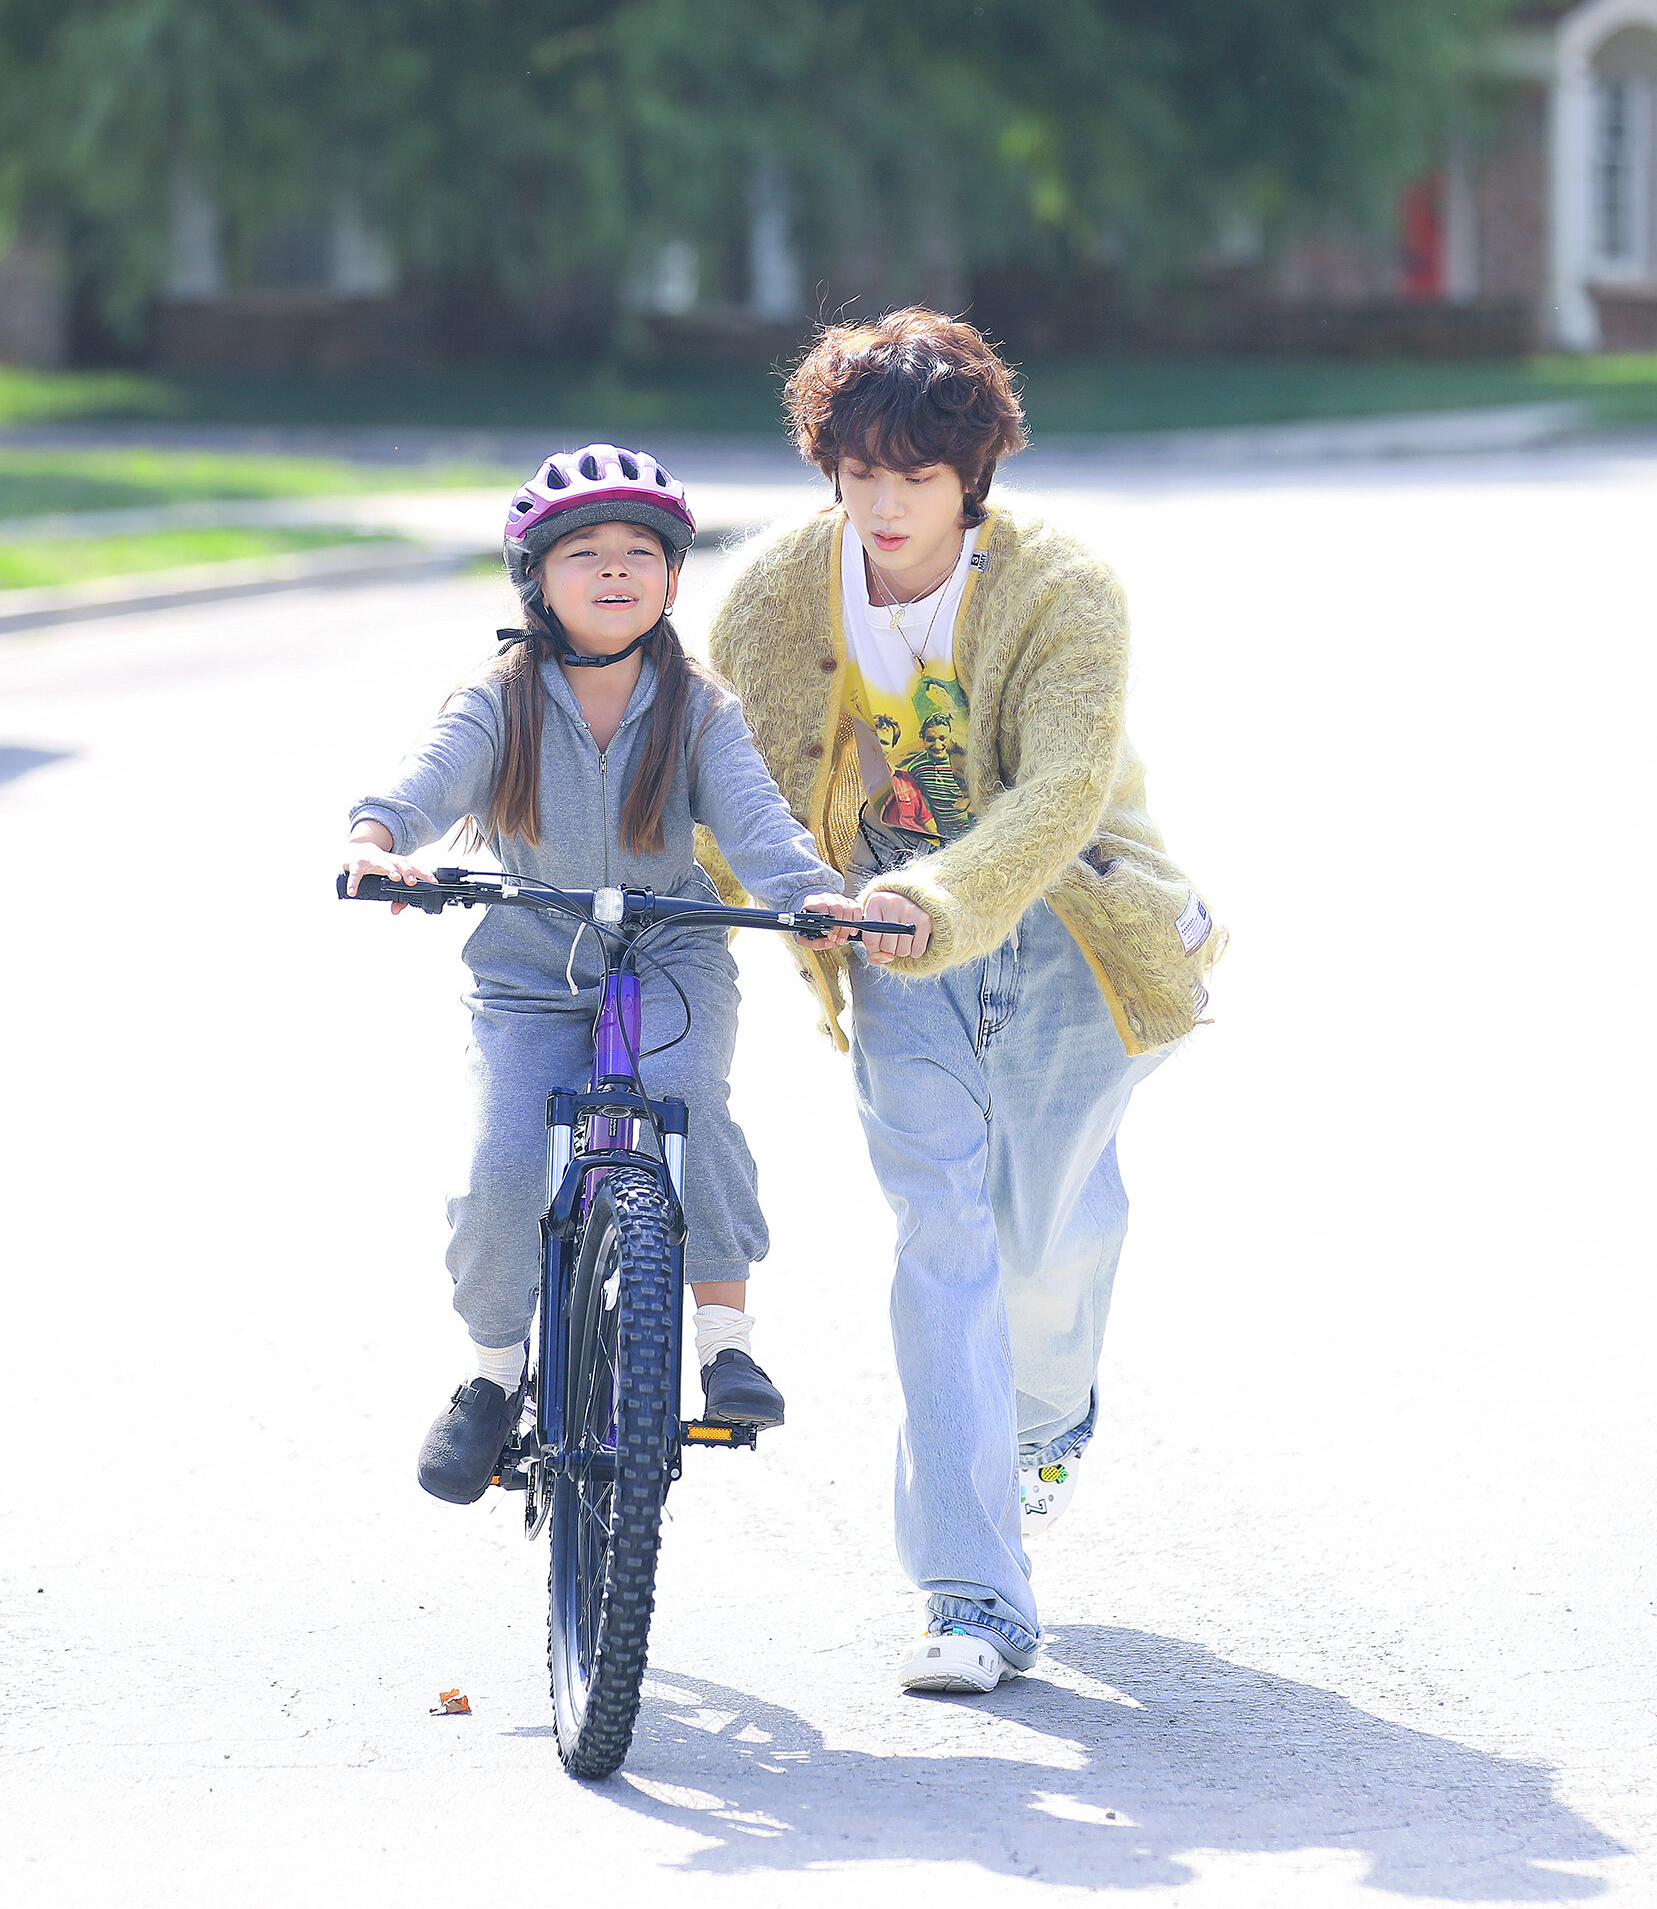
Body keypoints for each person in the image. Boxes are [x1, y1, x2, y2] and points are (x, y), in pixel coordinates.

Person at [701, 311, 1226, 1694]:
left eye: (915, 476)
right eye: (857, 468)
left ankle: (1047, 1418)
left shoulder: (1062, 584)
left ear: (971, 477)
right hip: (883, 939)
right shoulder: (770, 596)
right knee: (943, 1232)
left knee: (1048, 1235)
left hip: (1066, 920)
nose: (882, 502)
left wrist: (939, 900)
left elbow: (1060, 790)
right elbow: (719, 777)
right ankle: (972, 1592)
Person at [344, 445, 859, 1504]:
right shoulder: (502, 698)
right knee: (501, 1165)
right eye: (585, 552)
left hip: (670, 948)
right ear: (538, 579)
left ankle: (724, 1337)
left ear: (674, 577)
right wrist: (379, 836)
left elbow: (758, 822)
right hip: (532, 963)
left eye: (641, 551)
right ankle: (493, 1374)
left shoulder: (698, 706)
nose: (615, 569)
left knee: (686, 1104)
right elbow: (424, 778)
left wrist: (810, 892)